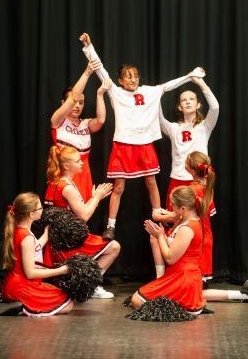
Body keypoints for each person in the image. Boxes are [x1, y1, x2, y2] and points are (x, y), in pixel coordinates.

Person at [80, 32, 206, 240]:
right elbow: (100, 69)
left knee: (151, 182)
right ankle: (111, 225)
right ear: (120, 80)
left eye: (135, 75)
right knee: (118, 187)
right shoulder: (116, 92)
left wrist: (190, 76)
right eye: (128, 76)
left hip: (145, 145)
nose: (133, 79)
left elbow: (169, 85)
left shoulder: (150, 91)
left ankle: (158, 216)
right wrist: (88, 46)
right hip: (123, 144)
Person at [131, 186, 248, 313]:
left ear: (183, 209)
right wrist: (160, 235)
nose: (170, 206)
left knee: (137, 300)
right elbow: (174, 245)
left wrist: (160, 236)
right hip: (182, 275)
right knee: (199, 294)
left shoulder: (187, 228)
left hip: (183, 277)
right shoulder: (183, 220)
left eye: (173, 204)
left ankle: (179, 304)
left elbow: (170, 258)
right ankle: (240, 294)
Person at [44, 145, 121, 299]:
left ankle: (85, 281)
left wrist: (93, 198)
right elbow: (84, 216)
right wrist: (97, 197)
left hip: (60, 238)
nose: (81, 163)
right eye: (78, 161)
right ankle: (90, 284)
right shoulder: (67, 188)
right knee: (114, 247)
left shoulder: (56, 182)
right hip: (67, 241)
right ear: (66, 166)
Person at [49, 58, 112, 202]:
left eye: (81, 103)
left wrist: (100, 94)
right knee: (65, 215)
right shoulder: (58, 121)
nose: (77, 106)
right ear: (63, 103)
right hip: (64, 172)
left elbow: (101, 120)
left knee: (84, 213)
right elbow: (73, 98)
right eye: (75, 102)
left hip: (83, 173)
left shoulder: (85, 123)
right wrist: (87, 72)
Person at [2, 192, 73, 317]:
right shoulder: (27, 237)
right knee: (67, 305)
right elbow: (31, 273)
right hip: (22, 287)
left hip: (14, 285)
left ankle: (21, 304)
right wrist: (61, 270)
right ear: (31, 214)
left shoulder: (20, 230)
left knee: (62, 296)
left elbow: (34, 249)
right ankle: (23, 307)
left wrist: (46, 235)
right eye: (40, 208)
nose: (42, 210)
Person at [152, 151, 216, 280]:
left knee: (154, 236)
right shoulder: (208, 186)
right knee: (199, 290)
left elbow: (176, 216)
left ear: (191, 171)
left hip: (194, 234)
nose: (184, 164)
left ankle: (161, 278)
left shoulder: (192, 190)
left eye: (186, 163)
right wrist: (167, 213)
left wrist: (158, 216)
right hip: (205, 235)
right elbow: (184, 212)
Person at [159, 75, 219, 210]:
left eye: (191, 99)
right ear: (180, 107)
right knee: (175, 218)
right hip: (177, 178)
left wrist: (201, 83)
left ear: (198, 104)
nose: (187, 102)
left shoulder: (204, 126)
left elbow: (215, 108)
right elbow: (159, 119)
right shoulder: (173, 128)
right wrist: (158, 94)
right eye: (183, 100)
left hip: (198, 180)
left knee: (200, 217)